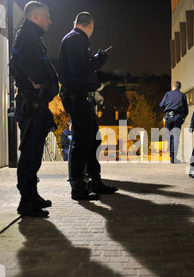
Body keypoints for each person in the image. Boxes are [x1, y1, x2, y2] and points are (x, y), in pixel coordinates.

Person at [58, 12, 117, 201]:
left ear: (76, 22)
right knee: (82, 141)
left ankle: (94, 181)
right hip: (79, 96)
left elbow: (80, 66)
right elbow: (79, 68)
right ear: (90, 25)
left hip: (81, 96)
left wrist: (94, 60)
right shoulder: (76, 39)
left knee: (91, 140)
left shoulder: (75, 39)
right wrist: (98, 61)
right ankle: (78, 187)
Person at [10, 1, 59, 218]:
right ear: (36, 17)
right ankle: (26, 201)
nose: (50, 21)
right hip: (32, 103)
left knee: (34, 152)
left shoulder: (31, 37)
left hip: (36, 103)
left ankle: (32, 194)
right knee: (30, 153)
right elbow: (31, 70)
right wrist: (40, 81)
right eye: (47, 16)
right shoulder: (29, 38)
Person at [159, 81, 189, 164]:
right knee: (176, 137)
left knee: (169, 136)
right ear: (180, 87)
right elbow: (186, 110)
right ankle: (173, 157)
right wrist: (182, 118)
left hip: (168, 117)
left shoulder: (168, 94)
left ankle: (171, 155)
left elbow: (161, 105)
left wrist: (168, 107)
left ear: (173, 87)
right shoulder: (182, 95)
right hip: (177, 117)